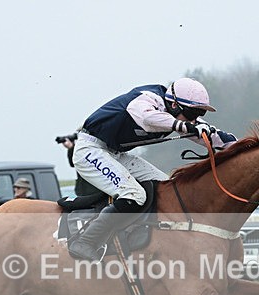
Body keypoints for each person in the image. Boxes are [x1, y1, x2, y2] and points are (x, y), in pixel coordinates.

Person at [68, 77, 237, 261]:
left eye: (199, 113)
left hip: (114, 153)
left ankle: (147, 238)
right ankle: (86, 241)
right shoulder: (149, 98)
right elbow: (146, 117)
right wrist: (185, 125)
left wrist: (239, 146)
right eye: (192, 112)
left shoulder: (175, 116)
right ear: (173, 104)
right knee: (135, 195)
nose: (195, 118)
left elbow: (210, 137)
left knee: (168, 188)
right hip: (90, 149)